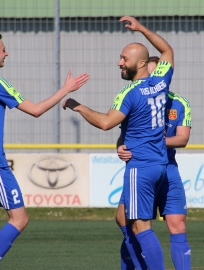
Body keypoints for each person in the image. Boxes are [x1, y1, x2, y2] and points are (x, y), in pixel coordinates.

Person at [0, 32, 89, 270]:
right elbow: (36, 110)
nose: (7, 53)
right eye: (3, 49)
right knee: (19, 218)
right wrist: (65, 89)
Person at [62, 16, 174, 269]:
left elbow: (105, 122)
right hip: (158, 163)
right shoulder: (160, 82)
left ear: (142, 63)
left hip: (141, 166)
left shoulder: (129, 92)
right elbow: (167, 50)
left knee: (139, 224)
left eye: (125, 59)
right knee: (123, 217)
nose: (119, 63)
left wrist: (77, 105)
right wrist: (142, 28)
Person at [116, 56, 192, 270]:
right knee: (126, 221)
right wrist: (119, 147)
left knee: (177, 224)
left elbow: (183, 138)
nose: (151, 80)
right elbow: (123, 135)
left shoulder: (180, 102)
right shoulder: (136, 96)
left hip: (168, 170)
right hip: (143, 168)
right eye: (149, 75)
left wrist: (153, 142)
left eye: (156, 75)